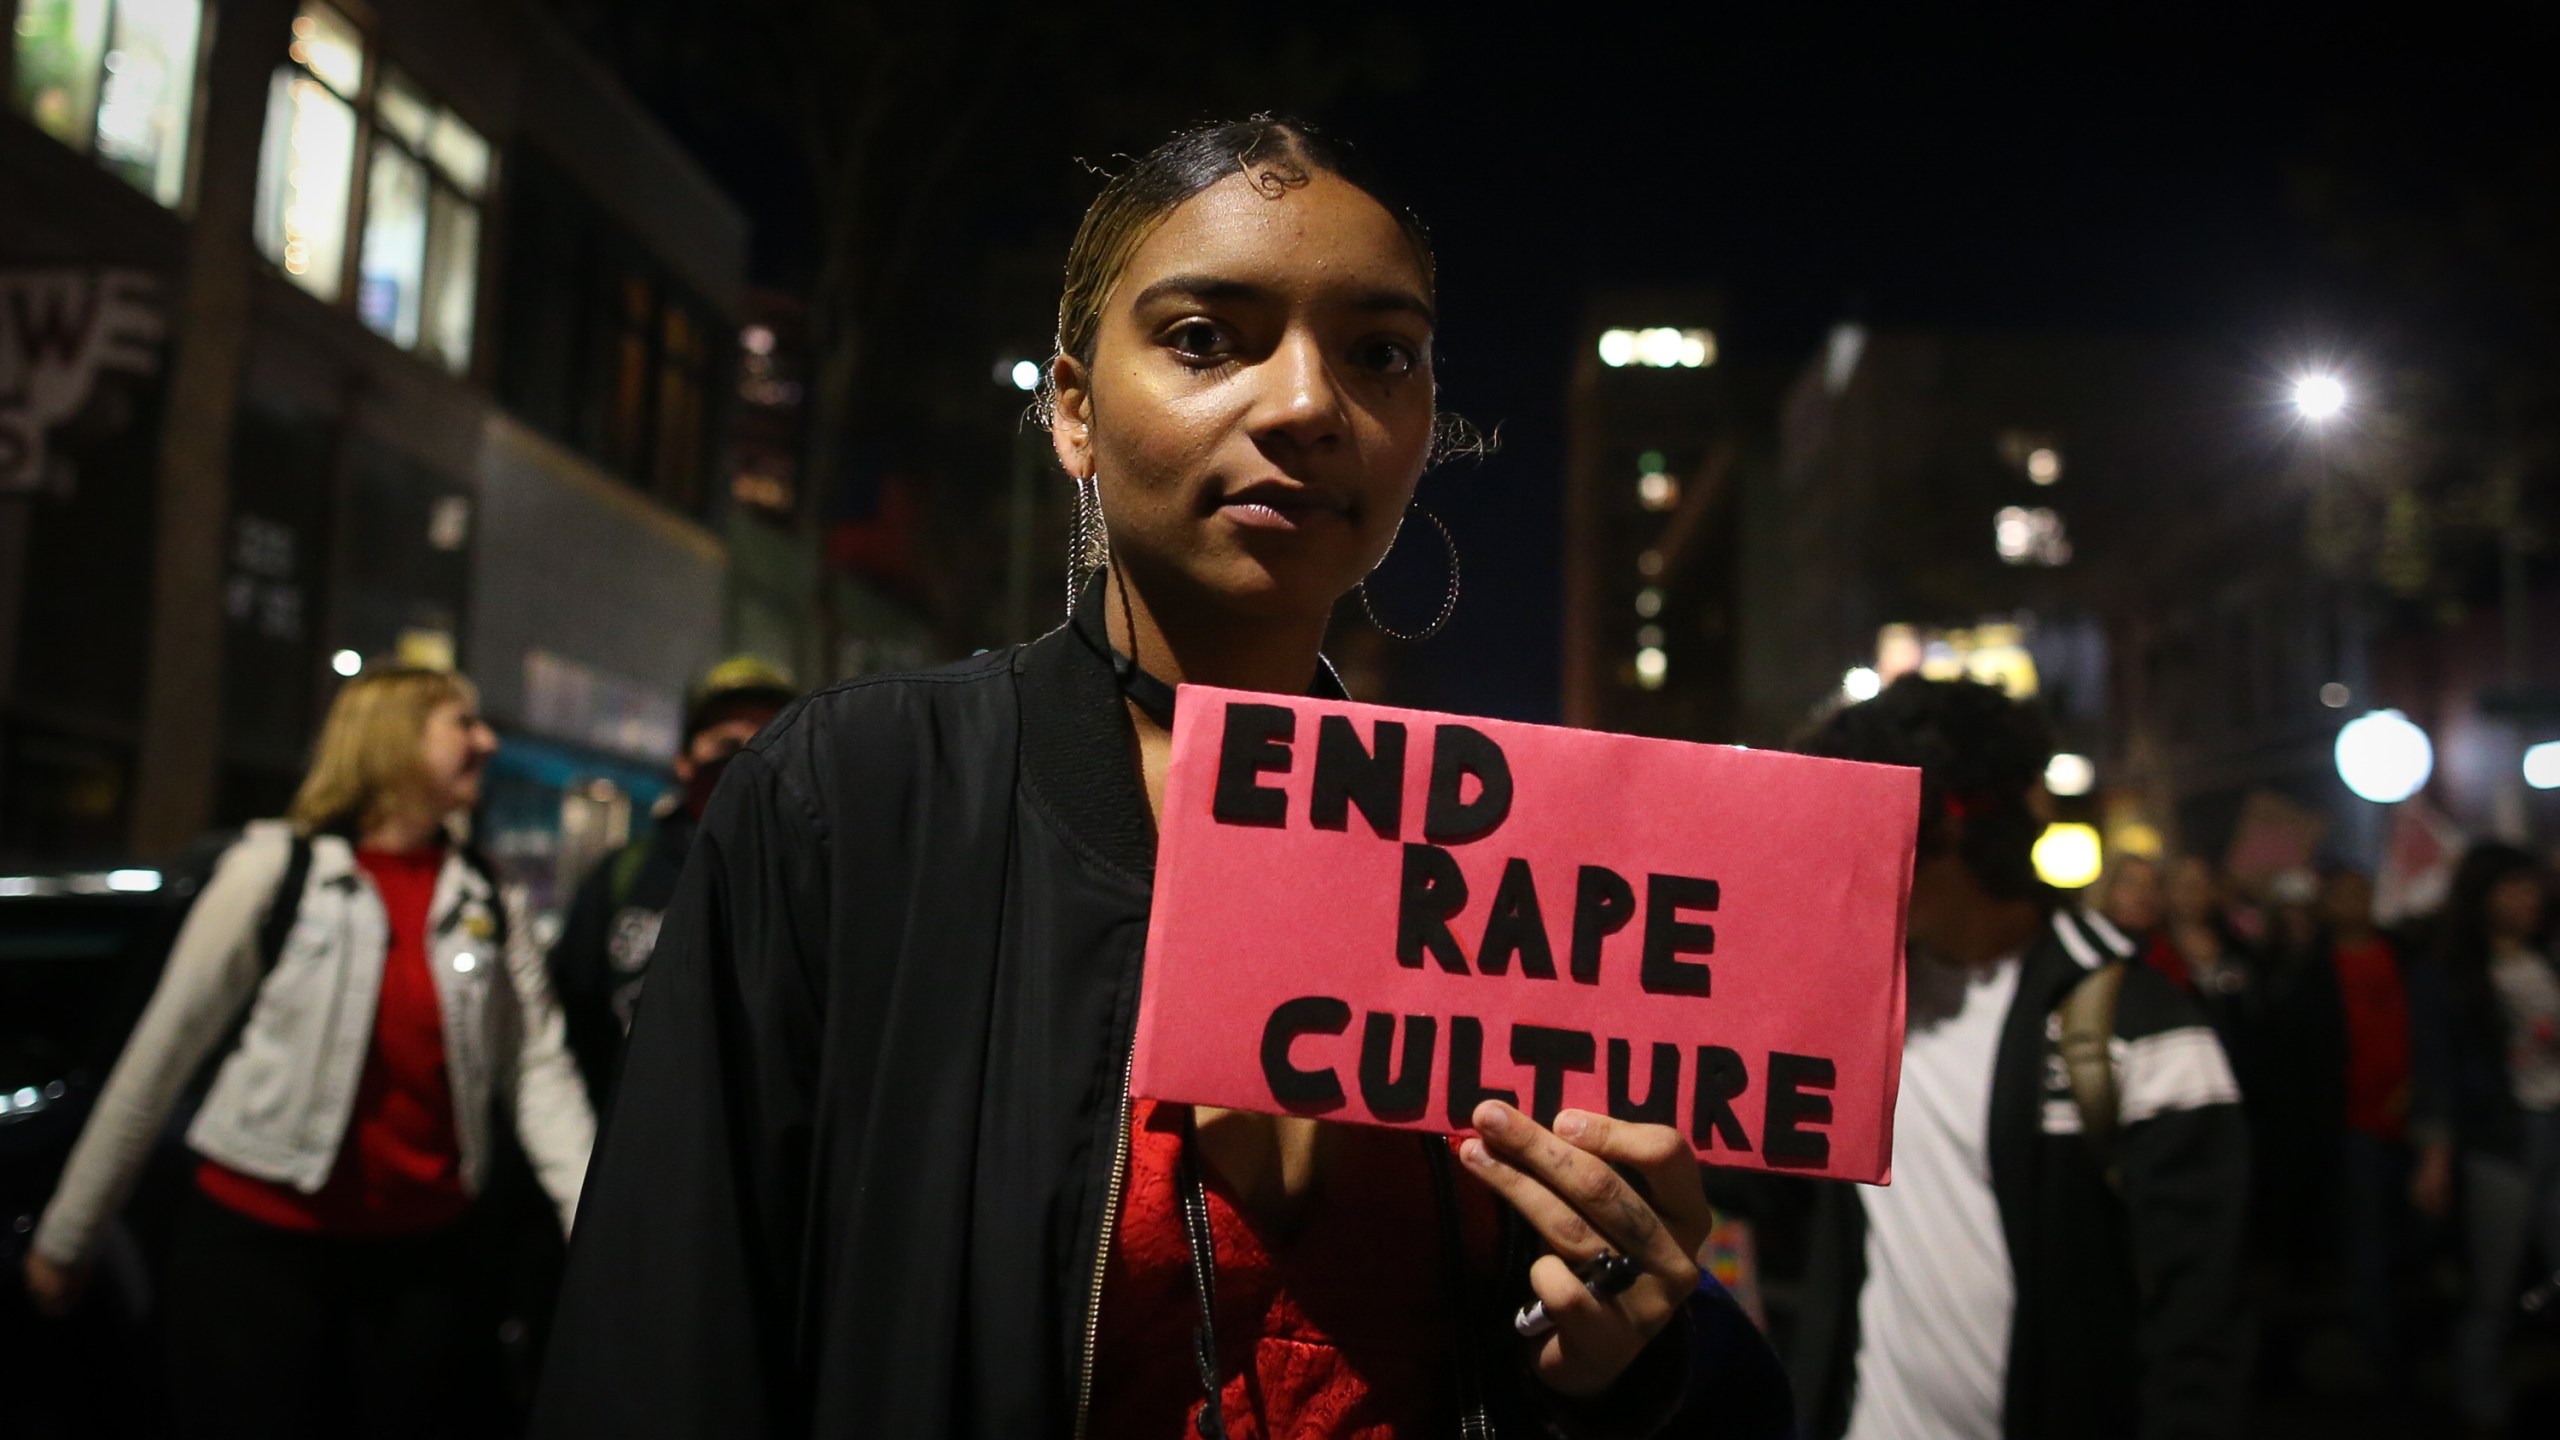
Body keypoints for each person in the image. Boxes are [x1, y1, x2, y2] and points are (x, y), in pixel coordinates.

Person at [531, 118, 1752, 1439]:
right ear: (1074, 412)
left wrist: (1612, 1360)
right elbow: (663, 1343)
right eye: (1206, 338)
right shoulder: (853, 801)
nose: (1303, 404)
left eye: (1380, 353)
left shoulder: (1514, 868)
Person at [18, 666, 595, 1439]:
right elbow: (159, 1056)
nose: (486, 741)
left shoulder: (489, 894)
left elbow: (537, 1071)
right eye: (462, 723)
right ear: (390, 738)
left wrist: (596, 1228)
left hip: (424, 1266)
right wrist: (67, 1236)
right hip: (257, 1264)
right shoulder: (273, 872)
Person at [1789, 676, 2251, 1440]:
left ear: (1950, 833)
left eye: (1868, 830)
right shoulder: (1849, 1008)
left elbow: (2199, 1329)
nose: (1846, 863)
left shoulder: (2139, 1025)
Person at [548, 656, 797, 1111]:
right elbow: (569, 1023)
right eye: (726, 742)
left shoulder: (815, 883)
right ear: (685, 761)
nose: (747, 756)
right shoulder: (624, 876)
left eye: (769, 737)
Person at [2408, 842, 2560, 1433]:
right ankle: (2483, 1403)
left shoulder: (2548, 957)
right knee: (2493, 1285)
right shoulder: (2449, 975)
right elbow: (2438, 1071)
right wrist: (2436, 1157)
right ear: (2484, 897)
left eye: (2532, 885)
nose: (2530, 898)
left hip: (2554, 1126)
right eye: (2514, 887)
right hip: (2502, 1139)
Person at [2271, 867, 2412, 1374]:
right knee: (2369, 1240)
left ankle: (2413, 1337)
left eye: (2363, 893)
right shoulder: (2313, 972)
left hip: (2414, 1122)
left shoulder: (2405, 955)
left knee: (2413, 1237)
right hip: (2354, 1126)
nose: (2356, 904)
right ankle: (2384, 1353)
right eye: (2344, 896)